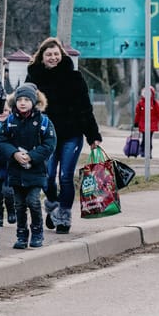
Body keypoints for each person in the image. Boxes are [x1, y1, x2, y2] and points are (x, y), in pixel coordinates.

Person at [26, 37, 102, 236]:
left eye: (56, 54)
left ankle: (64, 217)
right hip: (46, 137)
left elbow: (85, 108)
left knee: (66, 176)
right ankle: (52, 206)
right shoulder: (33, 78)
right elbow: (24, 105)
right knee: (48, 177)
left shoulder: (74, 77)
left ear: (62, 56)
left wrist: (93, 136)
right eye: (49, 54)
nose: (53, 58)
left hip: (72, 134)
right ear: (42, 57)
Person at [0, 82, 57, 250]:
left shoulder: (43, 122)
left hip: (35, 170)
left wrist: (31, 156)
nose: (22, 103)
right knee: (19, 205)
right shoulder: (9, 121)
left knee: (33, 201)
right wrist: (14, 153)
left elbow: (49, 144)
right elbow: (1, 141)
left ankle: (37, 232)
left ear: (34, 102)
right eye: (19, 99)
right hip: (15, 171)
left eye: (26, 99)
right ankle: (21, 235)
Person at [133, 85, 159, 157]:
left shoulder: (154, 103)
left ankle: (148, 152)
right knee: (145, 138)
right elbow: (137, 114)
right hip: (143, 124)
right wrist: (136, 122)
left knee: (149, 139)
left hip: (152, 125)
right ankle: (143, 150)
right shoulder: (140, 103)